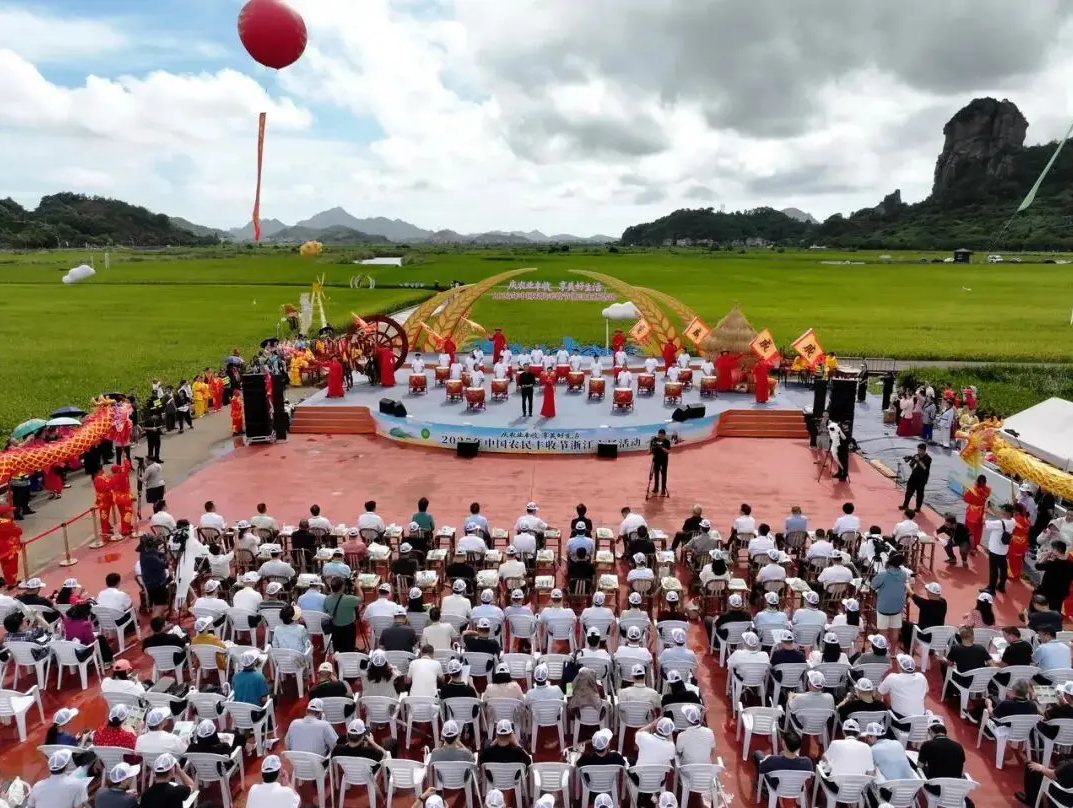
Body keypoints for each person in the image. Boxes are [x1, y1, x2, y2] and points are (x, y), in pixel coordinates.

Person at [870, 552, 909, 650]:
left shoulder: (883, 574)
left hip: (884, 607)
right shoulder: (904, 574)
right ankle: (892, 652)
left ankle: (882, 650)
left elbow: (873, 585)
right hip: (898, 607)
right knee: (895, 630)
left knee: (883, 631)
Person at [323, 579, 361, 653]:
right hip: (348, 628)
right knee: (349, 649)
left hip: (335, 628)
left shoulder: (327, 599)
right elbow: (361, 598)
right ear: (342, 587)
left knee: (337, 650)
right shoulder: (348, 599)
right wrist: (358, 587)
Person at [985, 504, 1015, 593]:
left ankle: (991, 589)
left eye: (1002, 510)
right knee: (1003, 569)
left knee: (993, 570)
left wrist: (984, 512)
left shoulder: (999, 523)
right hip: (1004, 550)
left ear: (1007, 512)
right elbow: (1001, 517)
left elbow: (984, 522)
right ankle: (1001, 586)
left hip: (995, 549)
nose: (1001, 511)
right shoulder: (1013, 521)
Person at [1035, 540, 1073, 612]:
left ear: (1056, 550)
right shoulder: (1071, 564)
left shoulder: (1051, 564)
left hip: (1047, 592)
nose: (1050, 551)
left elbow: (1037, 566)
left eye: (1052, 549)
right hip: (1060, 594)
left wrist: (1045, 556)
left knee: (1041, 609)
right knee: (1055, 611)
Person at [962, 474, 992, 551]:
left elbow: (965, 499)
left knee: (969, 530)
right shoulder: (987, 490)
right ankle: (975, 545)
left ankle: (969, 545)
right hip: (981, 513)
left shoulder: (972, 491)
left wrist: (965, 491)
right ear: (985, 482)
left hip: (972, 513)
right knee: (978, 530)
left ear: (977, 482)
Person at [901, 443, 931, 511]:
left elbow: (924, 468)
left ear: (924, 450)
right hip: (914, 477)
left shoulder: (928, 458)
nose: (918, 451)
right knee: (909, 491)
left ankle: (918, 508)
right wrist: (909, 460)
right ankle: (905, 505)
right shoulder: (916, 455)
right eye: (918, 450)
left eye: (920, 450)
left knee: (919, 494)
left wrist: (917, 460)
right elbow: (911, 465)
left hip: (922, 479)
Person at [649, 428, 671, 497]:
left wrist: (661, 447)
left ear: (664, 435)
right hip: (656, 459)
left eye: (661, 436)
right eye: (659, 435)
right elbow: (650, 449)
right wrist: (651, 450)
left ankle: (663, 490)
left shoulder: (667, 442)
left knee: (663, 474)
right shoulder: (654, 440)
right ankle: (656, 488)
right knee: (656, 474)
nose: (660, 437)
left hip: (664, 459)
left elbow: (668, 451)